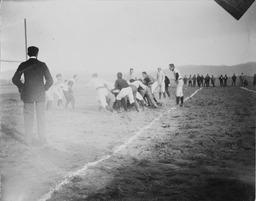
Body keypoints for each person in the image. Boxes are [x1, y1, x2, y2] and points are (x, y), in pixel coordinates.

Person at [12, 46, 53, 145]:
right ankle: (42, 139)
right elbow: (50, 81)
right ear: (37, 54)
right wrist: (43, 88)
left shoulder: (23, 65)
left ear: (28, 54)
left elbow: (15, 79)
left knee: (28, 117)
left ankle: (27, 141)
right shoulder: (42, 65)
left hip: (28, 94)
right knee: (41, 117)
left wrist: (22, 87)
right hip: (40, 94)